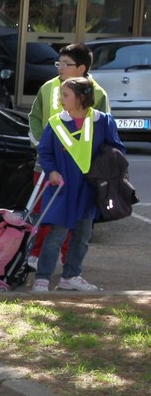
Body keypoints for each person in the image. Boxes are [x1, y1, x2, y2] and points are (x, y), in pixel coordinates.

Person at [31, 77, 125, 292]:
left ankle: (71, 276)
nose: (61, 99)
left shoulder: (103, 121)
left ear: (81, 98)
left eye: (65, 95)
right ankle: (42, 278)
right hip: (62, 187)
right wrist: (52, 171)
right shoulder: (55, 123)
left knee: (82, 236)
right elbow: (45, 152)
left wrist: (107, 170)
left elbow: (116, 149)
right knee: (56, 234)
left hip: (89, 188)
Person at [26, 43, 111, 267]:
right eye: (59, 63)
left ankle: (69, 267)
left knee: (75, 221)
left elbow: (104, 132)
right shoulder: (47, 87)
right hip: (46, 166)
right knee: (42, 214)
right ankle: (33, 258)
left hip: (80, 171)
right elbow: (34, 117)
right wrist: (39, 143)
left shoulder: (97, 93)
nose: (60, 67)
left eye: (66, 64)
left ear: (82, 68)